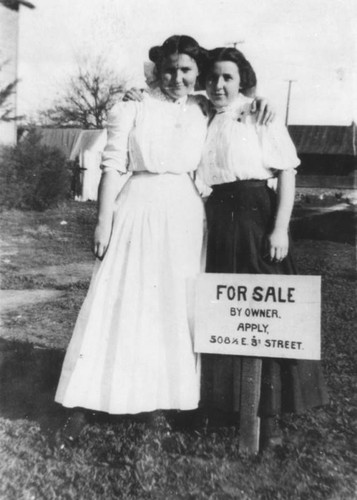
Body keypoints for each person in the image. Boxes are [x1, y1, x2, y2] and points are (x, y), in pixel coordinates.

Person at [55, 35, 274, 442]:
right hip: (138, 205)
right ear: (157, 70)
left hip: (186, 215)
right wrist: (103, 221)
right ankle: (85, 399)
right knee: (120, 298)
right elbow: (112, 165)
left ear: (198, 74)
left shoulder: (204, 108)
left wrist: (260, 101)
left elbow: (239, 107)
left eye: (187, 70)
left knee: (172, 306)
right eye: (169, 69)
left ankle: (160, 402)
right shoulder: (133, 104)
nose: (177, 77)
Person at [196, 47, 328, 447]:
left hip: (256, 216)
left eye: (228, 78)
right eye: (214, 77)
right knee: (225, 313)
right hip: (218, 219)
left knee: (265, 314)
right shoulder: (203, 116)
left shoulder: (258, 114)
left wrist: (280, 229)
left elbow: (287, 171)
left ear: (243, 81)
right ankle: (226, 406)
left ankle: (267, 416)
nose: (220, 85)